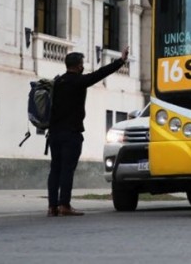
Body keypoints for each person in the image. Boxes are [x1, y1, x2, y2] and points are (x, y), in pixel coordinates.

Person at [47, 46, 129, 217]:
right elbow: (100, 73)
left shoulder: (57, 83)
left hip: (54, 134)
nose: (83, 66)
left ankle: (52, 207)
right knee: (67, 170)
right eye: (82, 64)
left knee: (55, 169)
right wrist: (120, 61)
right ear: (79, 66)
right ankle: (64, 205)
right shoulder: (79, 81)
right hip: (71, 134)